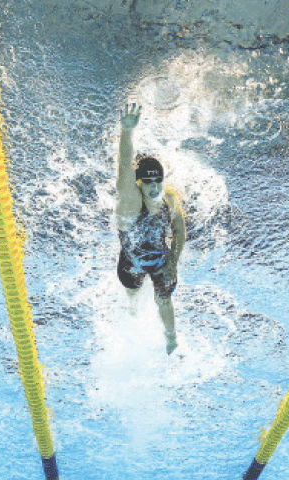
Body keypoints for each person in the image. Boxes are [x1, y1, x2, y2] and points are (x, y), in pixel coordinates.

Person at [115, 104, 186, 354]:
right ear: (138, 183)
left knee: (164, 299)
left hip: (160, 260)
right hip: (131, 262)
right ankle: (132, 316)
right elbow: (124, 169)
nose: (154, 187)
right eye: (148, 182)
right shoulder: (131, 202)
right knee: (133, 296)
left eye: (158, 180)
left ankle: (171, 339)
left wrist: (173, 263)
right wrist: (126, 132)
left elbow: (180, 229)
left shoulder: (169, 199)